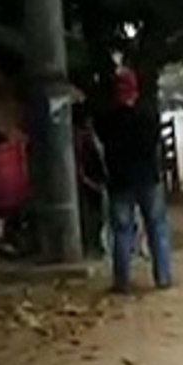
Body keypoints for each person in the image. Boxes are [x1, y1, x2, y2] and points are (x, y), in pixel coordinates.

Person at [96, 67, 174, 294]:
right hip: (148, 178)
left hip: (119, 181)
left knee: (122, 231)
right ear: (135, 90)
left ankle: (122, 282)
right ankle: (164, 277)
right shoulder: (148, 114)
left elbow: (101, 139)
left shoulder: (106, 118)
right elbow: (154, 143)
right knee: (157, 226)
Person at [73, 103, 108, 258]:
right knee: (93, 215)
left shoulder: (84, 137)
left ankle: (94, 244)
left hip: (93, 180)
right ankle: (93, 245)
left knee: (96, 214)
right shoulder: (83, 139)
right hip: (90, 181)